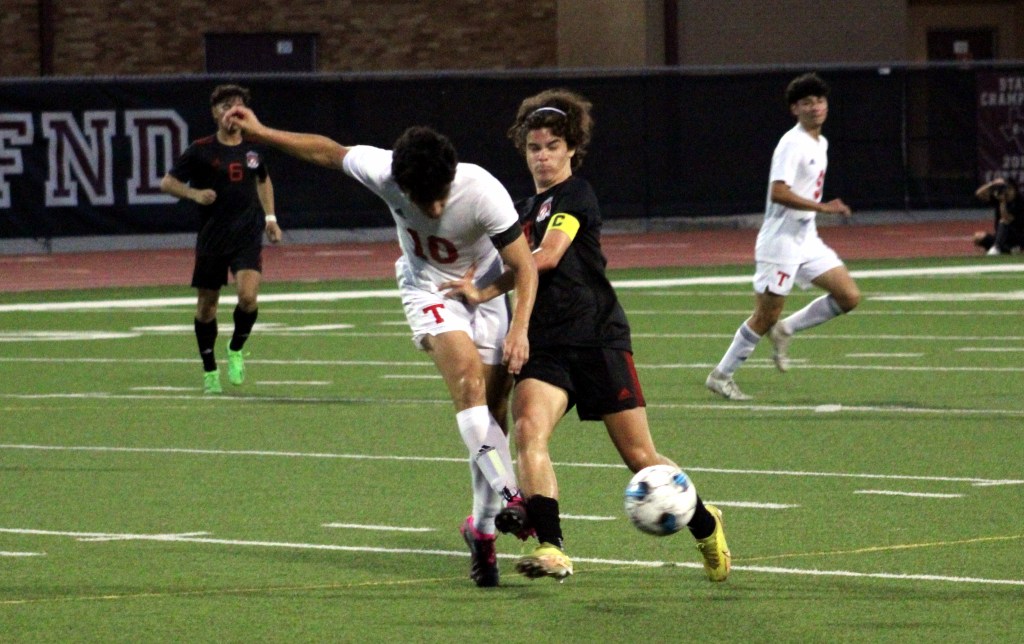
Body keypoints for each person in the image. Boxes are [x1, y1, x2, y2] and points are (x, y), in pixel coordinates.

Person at [222, 104, 539, 589]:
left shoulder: (483, 191)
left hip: (488, 289)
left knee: (494, 417)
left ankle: (482, 528)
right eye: (420, 200)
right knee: (469, 385)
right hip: (427, 290)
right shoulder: (385, 170)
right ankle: (510, 492)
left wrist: (519, 328)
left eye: (438, 199)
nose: (432, 211)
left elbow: (526, 265)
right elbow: (327, 152)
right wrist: (261, 131)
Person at [440, 89, 731, 583]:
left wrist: (501, 297)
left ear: (571, 148)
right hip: (546, 345)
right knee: (530, 431)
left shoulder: (576, 195)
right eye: (535, 148)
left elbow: (547, 256)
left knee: (639, 458)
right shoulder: (520, 208)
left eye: (553, 146)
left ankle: (705, 524)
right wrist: (480, 290)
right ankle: (553, 547)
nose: (543, 156)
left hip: (597, 337)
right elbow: (517, 269)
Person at [706, 72, 861, 401]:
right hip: (780, 241)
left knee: (848, 296)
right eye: (807, 103)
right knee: (765, 315)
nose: (815, 107)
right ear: (795, 109)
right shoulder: (792, 143)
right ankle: (721, 375)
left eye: (819, 101)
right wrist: (824, 207)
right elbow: (778, 192)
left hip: (806, 237)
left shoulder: (821, 142)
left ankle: (788, 328)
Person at [160, 84, 282, 395]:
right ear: (215, 112)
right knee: (206, 308)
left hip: (246, 235)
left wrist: (270, 218)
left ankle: (236, 347)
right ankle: (210, 369)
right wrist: (194, 193)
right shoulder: (201, 149)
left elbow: (263, 181)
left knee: (248, 298)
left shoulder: (253, 151)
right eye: (227, 106)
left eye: (239, 107)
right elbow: (168, 182)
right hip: (212, 237)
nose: (233, 112)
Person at [973, 177, 1024, 255]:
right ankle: (1007, 250)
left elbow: (1006, 219)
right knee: (977, 237)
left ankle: (997, 248)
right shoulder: (1000, 198)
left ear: (1015, 190)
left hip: (1016, 238)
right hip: (1000, 238)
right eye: (1006, 189)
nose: (1007, 192)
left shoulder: (1019, 202)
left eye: (1009, 189)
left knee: (1003, 221)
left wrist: (1002, 202)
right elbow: (979, 194)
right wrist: (992, 184)